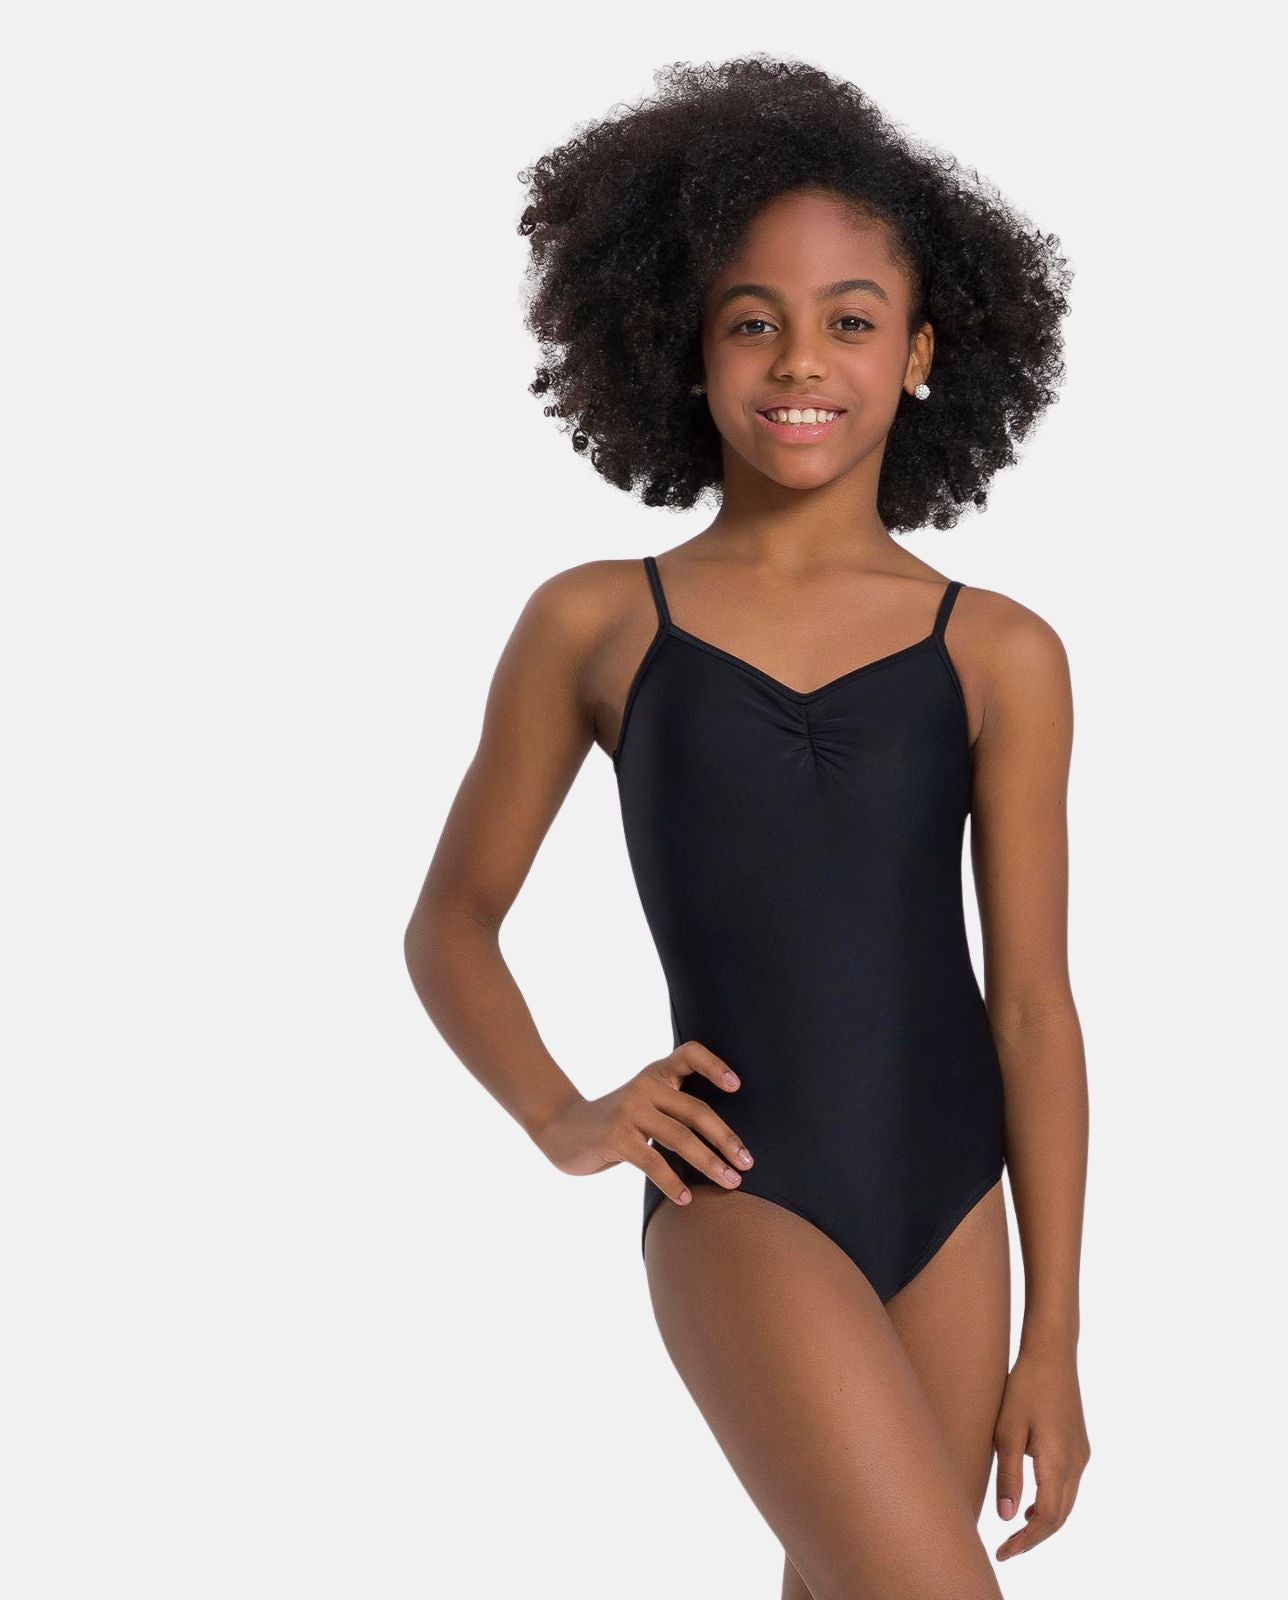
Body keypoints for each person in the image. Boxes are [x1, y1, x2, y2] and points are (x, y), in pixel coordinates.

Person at [404, 56, 1089, 1600]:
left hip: (954, 1206)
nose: (802, 362)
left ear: (921, 350)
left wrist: (1053, 1333)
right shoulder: (596, 623)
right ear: (688, 344)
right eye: (752, 320)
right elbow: (451, 924)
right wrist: (565, 1116)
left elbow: (1033, 1009)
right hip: (740, 1191)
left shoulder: (1001, 652)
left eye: (852, 319)